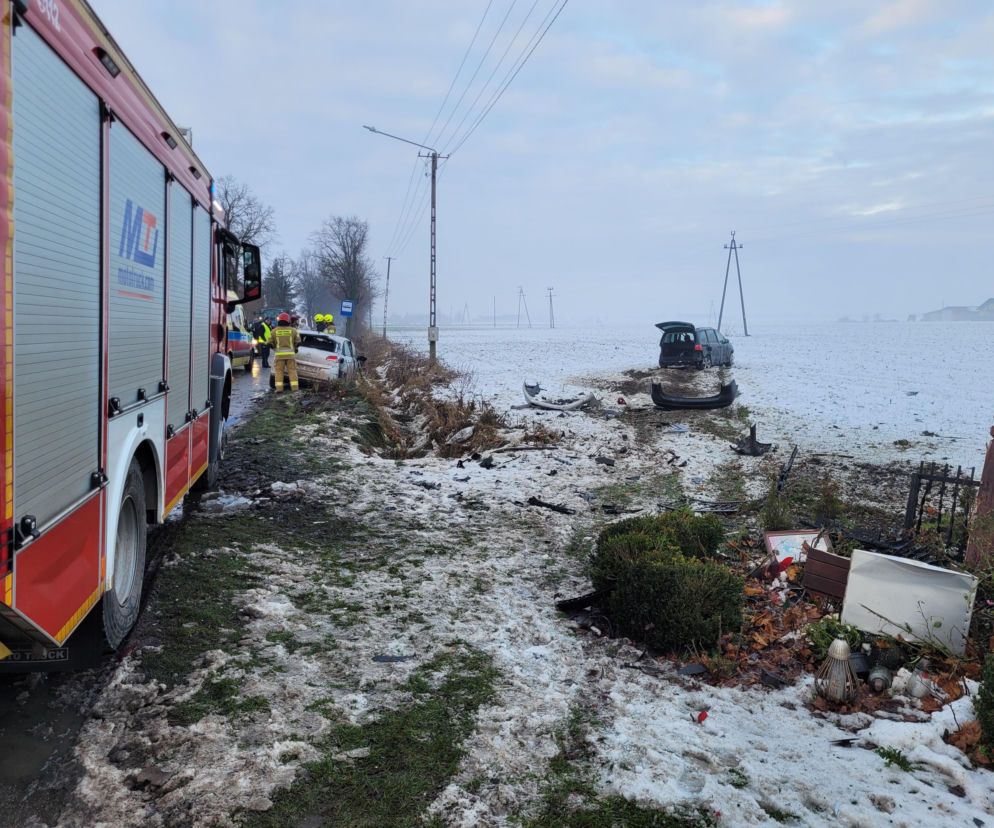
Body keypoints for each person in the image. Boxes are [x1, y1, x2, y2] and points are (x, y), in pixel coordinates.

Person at [271, 312, 300, 392]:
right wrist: (295, 348)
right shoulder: (293, 331)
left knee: (279, 372)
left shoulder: (274, 331)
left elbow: (270, 343)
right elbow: (298, 342)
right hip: (290, 356)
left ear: (279, 321)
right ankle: (295, 389)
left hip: (279, 356)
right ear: (288, 321)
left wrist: (274, 348)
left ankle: (279, 389)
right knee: (292, 371)